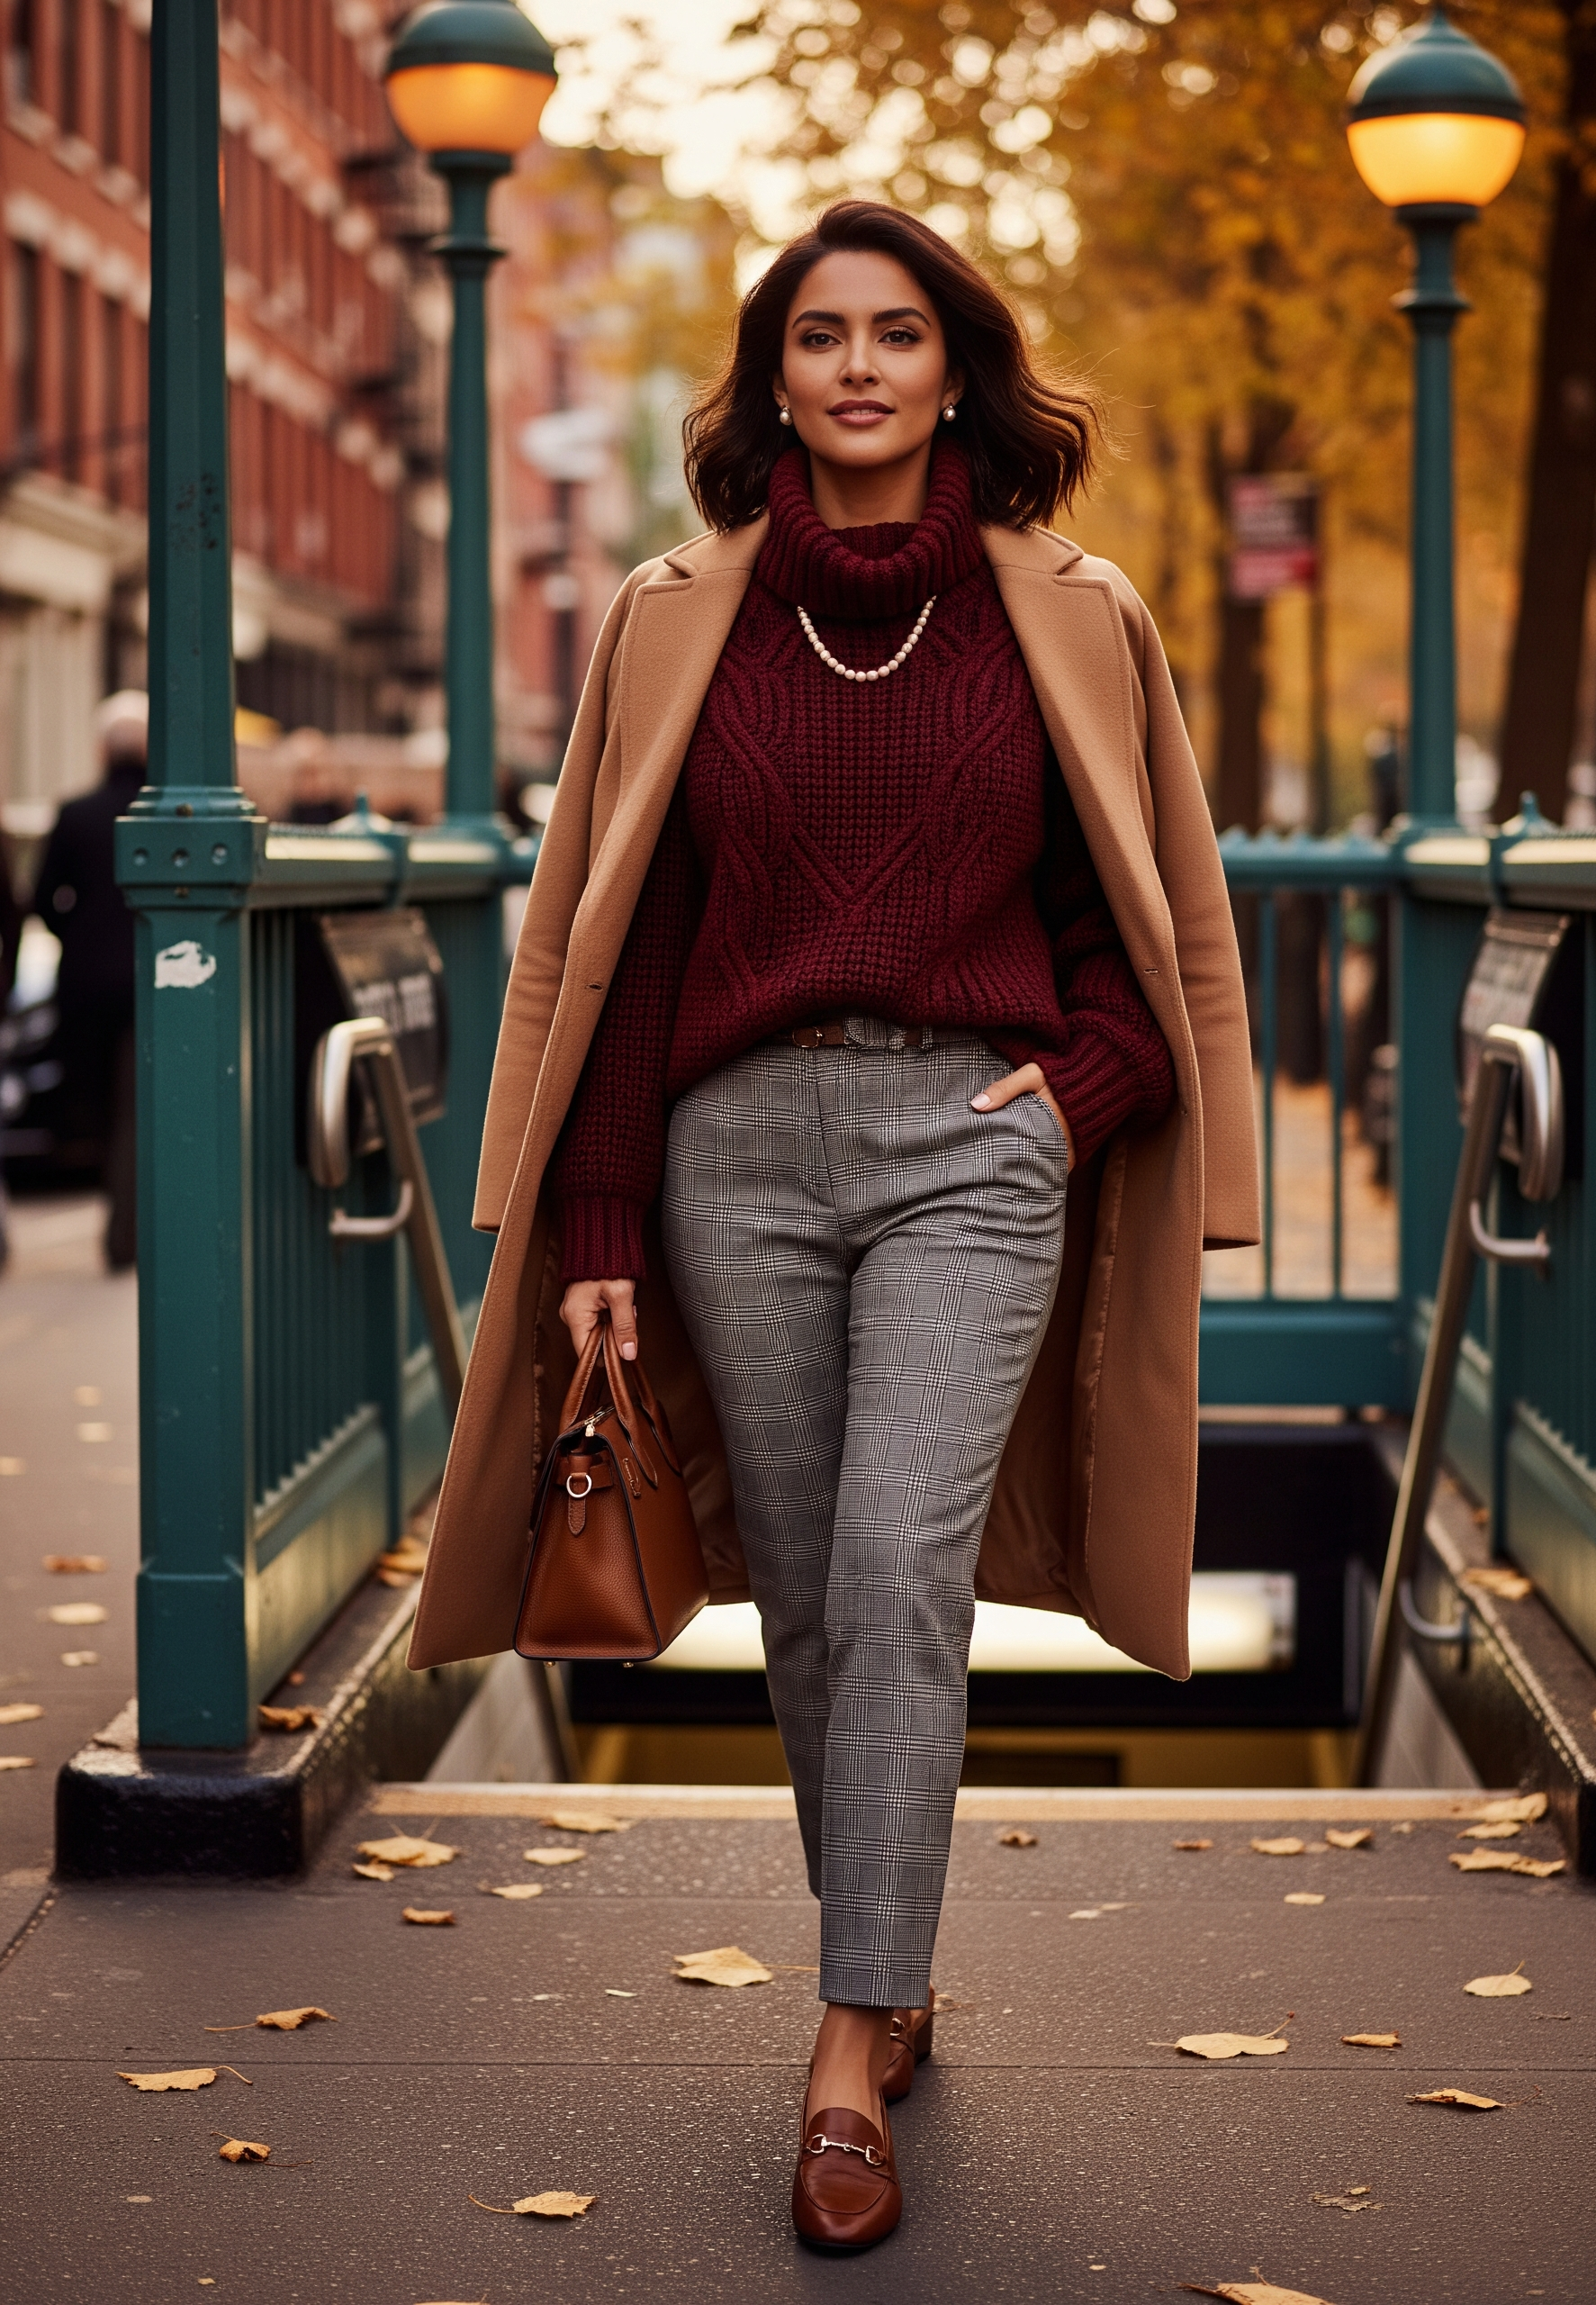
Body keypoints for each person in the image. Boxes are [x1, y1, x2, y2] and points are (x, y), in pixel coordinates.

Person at [408, 202, 1258, 2250]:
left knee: (897, 1562)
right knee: (804, 1589)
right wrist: (595, 1202)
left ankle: (847, 2039)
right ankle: (896, 1955)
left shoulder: (1066, 608)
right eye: (820, 337)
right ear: (773, 376)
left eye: (897, 332)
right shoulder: (672, 611)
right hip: (734, 1154)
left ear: (955, 367)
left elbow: (1146, 944)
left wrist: (1065, 1102)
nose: (860, 366)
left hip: (971, 1145)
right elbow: (627, 936)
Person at [31, 690, 147, 1270]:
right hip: (151, 986)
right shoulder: (159, 814)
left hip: (86, 988)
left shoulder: (76, 813)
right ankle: (128, 1227)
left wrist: (78, 939)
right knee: (136, 1109)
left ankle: (120, 1220)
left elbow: (44, 901)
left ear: (103, 748)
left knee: (101, 1109)